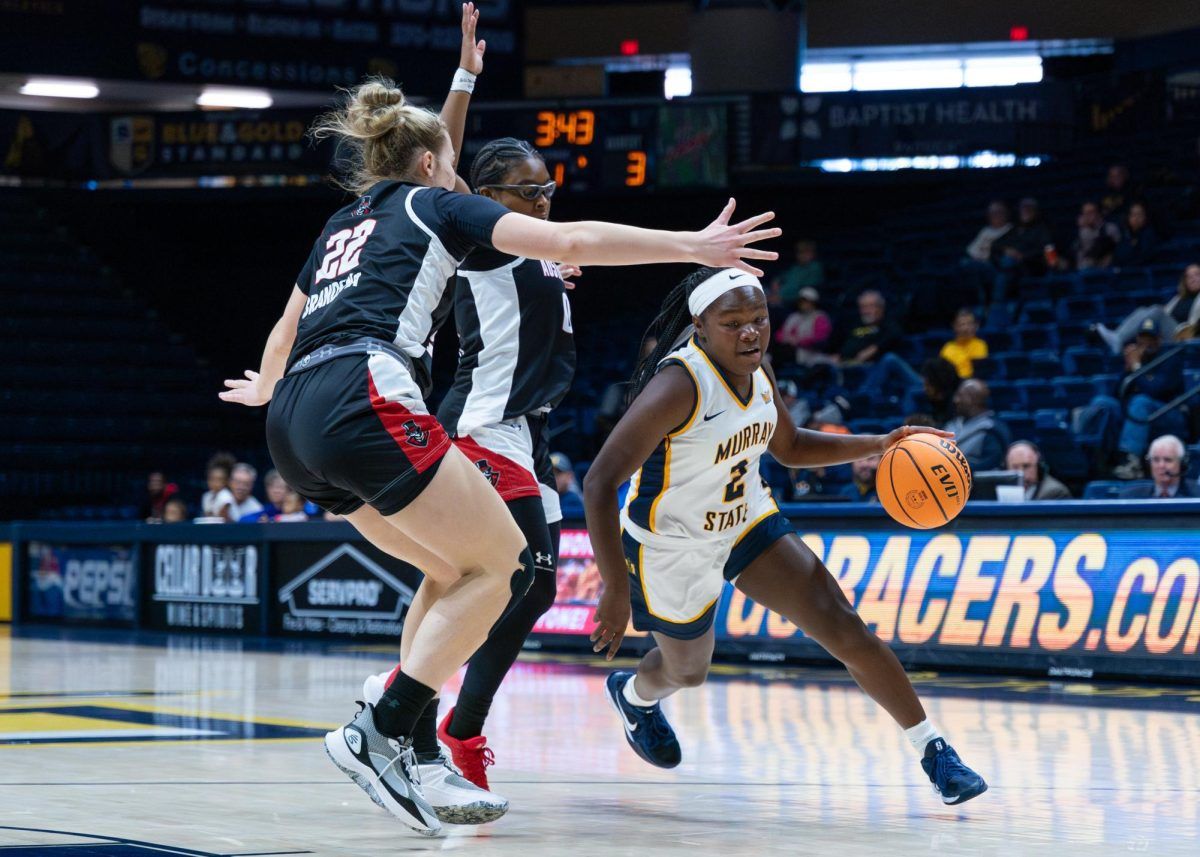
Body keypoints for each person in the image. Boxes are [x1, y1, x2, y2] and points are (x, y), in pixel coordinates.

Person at [218, 15, 780, 836]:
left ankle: (410, 738)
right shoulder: (448, 212)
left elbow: (285, 325)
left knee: (460, 572)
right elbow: (569, 232)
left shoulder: (344, 226)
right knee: (512, 570)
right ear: (434, 171)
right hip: (374, 400)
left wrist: (265, 385)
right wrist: (693, 244)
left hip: (294, 420)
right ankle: (389, 724)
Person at [582, 266, 987, 807]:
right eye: (733, 323)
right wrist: (613, 586)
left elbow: (790, 447)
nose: (750, 333)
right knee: (688, 671)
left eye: (759, 320)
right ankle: (635, 697)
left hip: (745, 518)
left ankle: (935, 751)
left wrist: (881, 443)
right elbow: (599, 481)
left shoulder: (759, 369)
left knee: (843, 625)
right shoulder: (678, 385)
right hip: (671, 543)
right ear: (700, 325)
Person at [361, 136, 579, 798]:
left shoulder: (536, 249)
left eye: (548, 190)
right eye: (527, 192)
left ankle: (450, 722)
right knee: (500, 574)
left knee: (537, 587)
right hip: (484, 425)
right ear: (485, 198)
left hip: (531, 431)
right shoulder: (480, 237)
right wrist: (464, 81)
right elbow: (443, 167)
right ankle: (412, 713)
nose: (542, 203)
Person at [1109, 318, 1186, 480]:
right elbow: (1117, 393)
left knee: (1140, 402)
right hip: (1141, 414)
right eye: (1142, 338)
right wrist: (1127, 369)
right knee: (1104, 404)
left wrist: (1137, 367)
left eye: (1150, 338)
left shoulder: (1170, 358)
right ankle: (1099, 458)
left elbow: (1155, 390)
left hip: (1169, 413)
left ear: (1159, 339)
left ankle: (1132, 462)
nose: (1146, 343)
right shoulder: (1136, 358)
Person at [1095, 263, 1200, 355]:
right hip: (1169, 333)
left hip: (1187, 338)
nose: (1193, 279)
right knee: (1142, 311)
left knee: (1156, 311)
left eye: (1197, 275)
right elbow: (1166, 312)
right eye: (1188, 276)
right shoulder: (1179, 298)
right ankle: (1118, 337)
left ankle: (1120, 339)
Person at [990, 197, 1052, 300]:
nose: (1025, 211)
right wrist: (1006, 249)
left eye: (1029, 209)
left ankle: (997, 305)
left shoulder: (1042, 230)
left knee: (1006, 267)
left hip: (1030, 266)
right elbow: (996, 244)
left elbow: (1048, 250)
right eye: (1023, 209)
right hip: (1010, 268)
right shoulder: (1015, 230)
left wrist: (1022, 256)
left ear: (1035, 211)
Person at [943, 379, 1010, 471]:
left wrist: (955, 467)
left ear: (973, 399)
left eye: (960, 396)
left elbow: (991, 465)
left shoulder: (992, 429)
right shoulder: (951, 425)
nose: (956, 400)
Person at [960, 201, 1011, 305]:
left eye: (998, 212)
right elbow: (973, 251)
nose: (995, 216)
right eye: (992, 213)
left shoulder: (1012, 229)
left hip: (998, 266)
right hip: (982, 265)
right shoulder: (985, 231)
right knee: (964, 264)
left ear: (1006, 213)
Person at [1120, 435, 1200, 498]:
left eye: (1168, 460)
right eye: (1156, 460)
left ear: (1182, 464)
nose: (1161, 465)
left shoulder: (1196, 495)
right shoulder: (1131, 496)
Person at [839, 290, 902, 366]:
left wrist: (874, 348)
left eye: (870, 306)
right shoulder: (856, 324)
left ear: (880, 308)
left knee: (889, 359)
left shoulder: (888, 323)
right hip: (850, 365)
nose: (866, 311)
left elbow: (895, 335)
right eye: (862, 307)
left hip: (877, 366)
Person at [774, 286, 832, 366]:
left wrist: (799, 341)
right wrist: (788, 339)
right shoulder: (793, 317)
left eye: (806, 301)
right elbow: (779, 334)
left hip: (810, 353)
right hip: (789, 350)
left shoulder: (820, 317)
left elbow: (819, 338)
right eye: (801, 301)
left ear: (813, 302)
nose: (803, 304)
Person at [1005, 441, 1071, 500]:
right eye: (1015, 467)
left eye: (1026, 466)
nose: (1021, 473)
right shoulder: (999, 491)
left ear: (1039, 466)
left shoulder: (1055, 492)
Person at [769, 239, 824, 309]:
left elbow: (806, 290)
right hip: (778, 296)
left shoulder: (815, 268)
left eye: (806, 252)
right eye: (800, 252)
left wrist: (782, 297)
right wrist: (776, 282)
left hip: (795, 301)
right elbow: (781, 278)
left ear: (812, 253)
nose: (802, 255)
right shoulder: (795, 268)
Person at [1070, 201, 1120, 271]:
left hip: (1107, 270)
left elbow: (1118, 249)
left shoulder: (1110, 228)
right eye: (1086, 213)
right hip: (1087, 271)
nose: (1089, 216)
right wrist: (1081, 229)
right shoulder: (1081, 232)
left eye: (1091, 212)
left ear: (1098, 213)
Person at [939, 309, 988, 379]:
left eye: (969, 324)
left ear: (975, 326)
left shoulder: (980, 344)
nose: (965, 328)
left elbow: (980, 372)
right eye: (962, 324)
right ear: (954, 326)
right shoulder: (947, 348)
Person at [1113, 202, 1158, 267]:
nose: (1136, 218)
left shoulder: (1149, 235)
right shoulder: (1123, 234)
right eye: (1133, 214)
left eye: (1140, 215)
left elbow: (1144, 257)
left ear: (1145, 217)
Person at [199, 453, 235, 520]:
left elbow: (223, 520)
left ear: (226, 481)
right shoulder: (206, 496)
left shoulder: (226, 496)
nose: (215, 483)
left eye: (219, 480)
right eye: (212, 479)